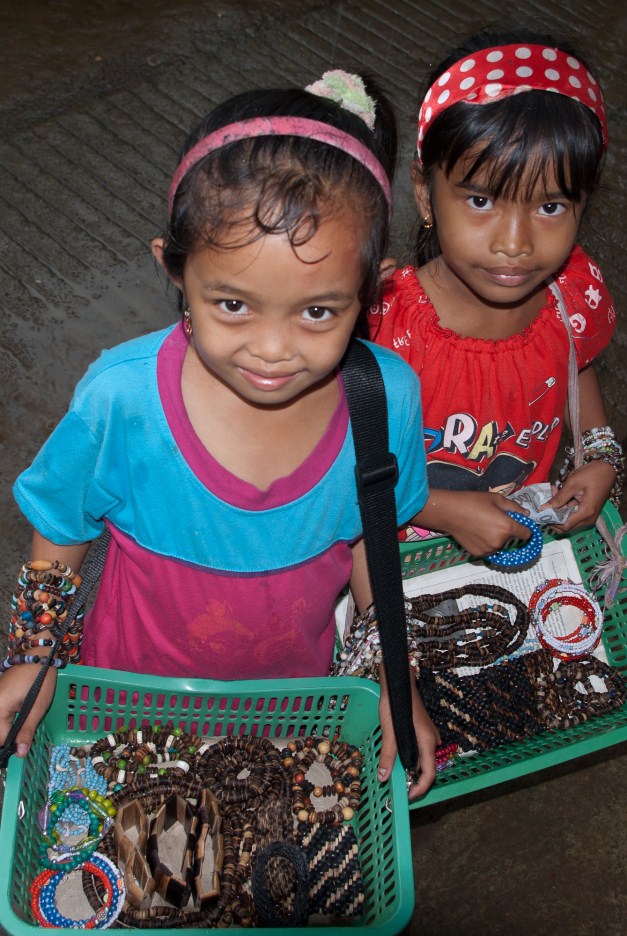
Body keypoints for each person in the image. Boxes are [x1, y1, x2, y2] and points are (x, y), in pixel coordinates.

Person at [0, 71, 440, 797]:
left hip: (291, 719)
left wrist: (395, 675)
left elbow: (373, 541)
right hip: (123, 712)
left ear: (372, 289)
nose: (271, 349)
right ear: (174, 269)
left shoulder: (383, 402)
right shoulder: (123, 399)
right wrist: (35, 655)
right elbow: (59, 524)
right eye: (233, 304)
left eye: (318, 312)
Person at [369, 25, 622, 555]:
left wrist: (599, 455)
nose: (514, 244)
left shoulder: (571, 299)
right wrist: (437, 508)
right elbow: (322, 466)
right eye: (481, 201)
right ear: (425, 193)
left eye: (550, 206)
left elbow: (574, 362)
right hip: (393, 564)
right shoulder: (378, 322)